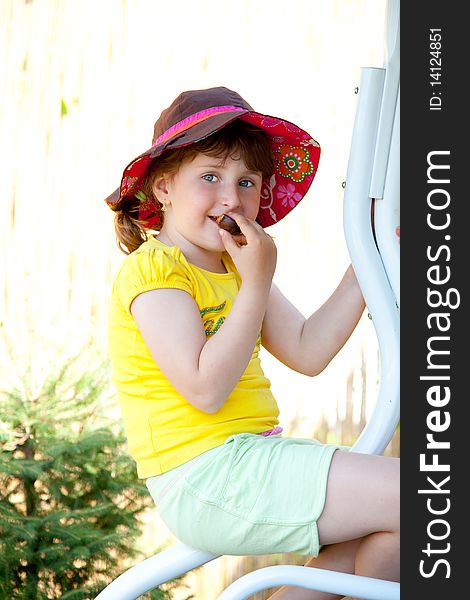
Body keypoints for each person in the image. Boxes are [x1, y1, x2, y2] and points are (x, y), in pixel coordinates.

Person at [105, 86, 399, 599]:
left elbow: (308, 351)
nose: (231, 198)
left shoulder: (237, 270)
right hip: (206, 475)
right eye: (210, 177)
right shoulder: (154, 272)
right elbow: (203, 389)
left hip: (247, 461)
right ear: (163, 188)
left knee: (373, 544)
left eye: (247, 182)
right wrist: (258, 281)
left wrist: (363, 271)